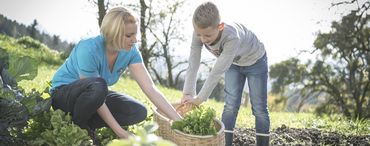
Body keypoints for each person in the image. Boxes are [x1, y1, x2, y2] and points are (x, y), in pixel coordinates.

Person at [50, 7, 182, 143]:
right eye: (129, 36)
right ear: (113, 34)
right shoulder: (88, 48)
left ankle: (86, 124)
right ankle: (81, 127)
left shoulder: (131, 51)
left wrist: (179, 121)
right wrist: (121, 132)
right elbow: (95, 90)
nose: (135, 40)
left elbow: (150, 88)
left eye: (135, 34)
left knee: (138, 111)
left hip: (95, 96)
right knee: (99, 85)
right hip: (63, 96)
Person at [181, 2, 270, 146]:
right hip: (233, 63)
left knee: (259, 108)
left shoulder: (231, 37)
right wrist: (188, 93)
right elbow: (193, 62)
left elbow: (216, 72)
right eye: (199, 35)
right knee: (230, 105)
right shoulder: (199, 32)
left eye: (207, 35)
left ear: (220, 26)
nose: (203, 39)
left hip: (255, 61)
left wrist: (200, 99)